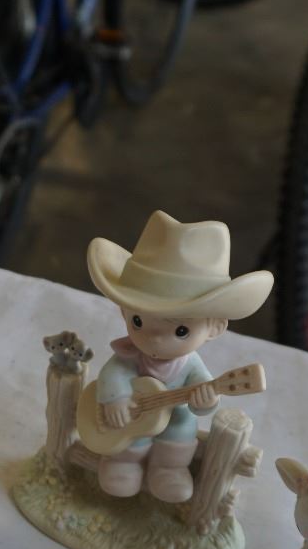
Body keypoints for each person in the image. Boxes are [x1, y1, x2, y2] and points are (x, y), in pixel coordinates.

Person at [85, 212, 272, 503]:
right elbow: (115, 372)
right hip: (133, 425)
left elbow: (203, 394)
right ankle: (122, 463)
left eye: (180, 330)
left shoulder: (192, 366)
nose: (154, 338)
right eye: (138, 321)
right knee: (130, 435)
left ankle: (168, 470)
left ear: (215, 327)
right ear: (124, 310)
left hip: (174, 421)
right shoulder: (130, 356)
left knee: (181, 430)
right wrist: (116, 399)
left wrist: (206, 400)